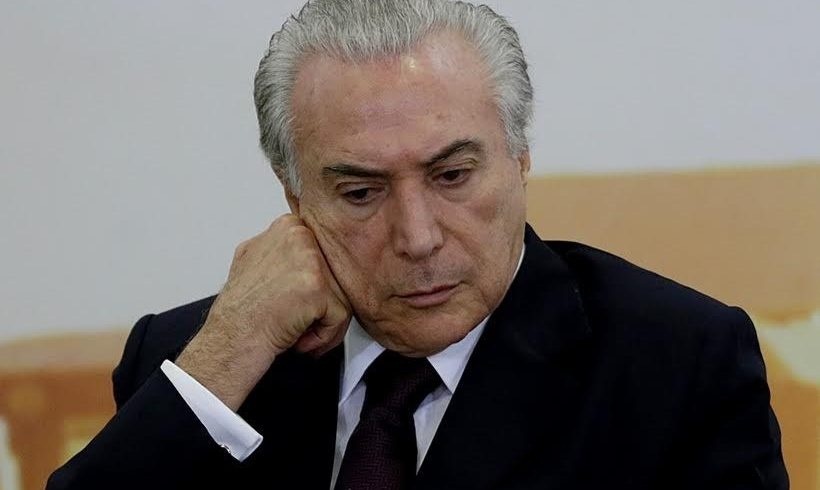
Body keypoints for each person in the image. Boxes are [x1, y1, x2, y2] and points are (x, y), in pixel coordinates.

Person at [48, 0, 788, 488]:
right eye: (361, 193)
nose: (418, 237)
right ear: (294, 199)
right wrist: (226, 355)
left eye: (452, 175)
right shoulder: (197, 360)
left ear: (520, 158)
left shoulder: (675, 364)